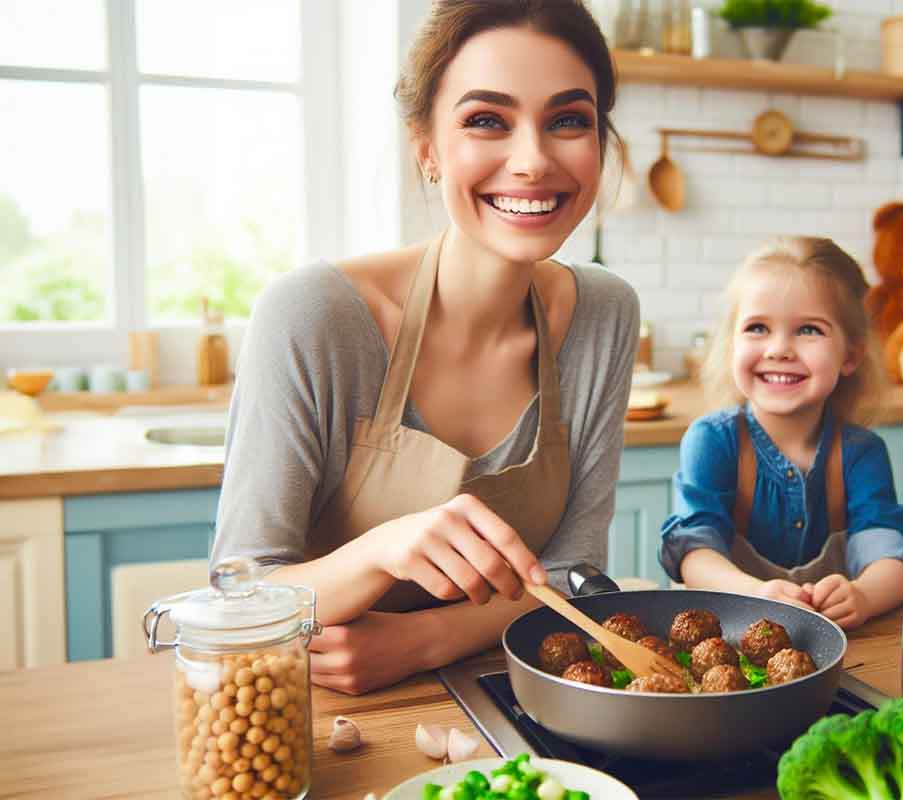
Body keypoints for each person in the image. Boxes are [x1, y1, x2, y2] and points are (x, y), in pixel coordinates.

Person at [212, 0, 639, 694]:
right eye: (485, 120)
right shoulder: (315, 317)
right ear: (428, 147)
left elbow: (575, 575)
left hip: (507, 693)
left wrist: (423, 640)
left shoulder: (603, 313)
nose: (532, 160)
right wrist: (385, 551)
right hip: (316, 723)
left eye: (568, 120)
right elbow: (240, 598)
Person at [658, 237, 903, 630]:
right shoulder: (712, 441)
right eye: (758, 327)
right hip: (724, 639)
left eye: (808, 330)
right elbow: (694, 553)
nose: (779, 348)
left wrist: (864, 595)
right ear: (732, 345)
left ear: (850, 355)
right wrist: (755, 592)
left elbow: (891, 557)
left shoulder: (862, 453)